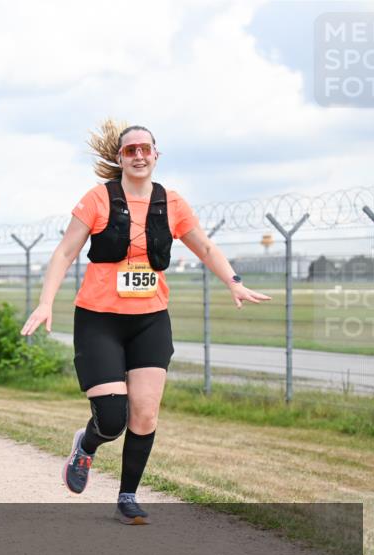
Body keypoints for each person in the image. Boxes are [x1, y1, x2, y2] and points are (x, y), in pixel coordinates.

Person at [21, 120, 271, 525]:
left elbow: (205, 247)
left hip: (150, 321)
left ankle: (127, 496)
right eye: (130, 150)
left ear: (156, 155)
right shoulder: (98, 200)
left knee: (146, 414)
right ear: (119, 158)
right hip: (100, 320)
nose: (138, 155)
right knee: (113, 417)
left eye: (145, 149)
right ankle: (86, 445)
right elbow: (65, 252)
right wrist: (46, 301)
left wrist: (234, 282)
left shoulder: (171, 203)